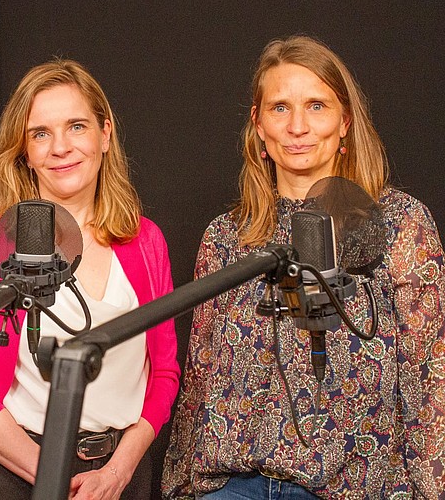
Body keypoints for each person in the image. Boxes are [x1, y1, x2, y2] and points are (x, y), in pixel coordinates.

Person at [162, 35, 445, 499]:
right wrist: (179, 487)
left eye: (316, 106)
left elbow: (430, 370)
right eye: (279, 108)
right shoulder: (228, 234)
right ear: (257, 124)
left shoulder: (398, 222)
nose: (297, 126)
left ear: (345, 121)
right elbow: (201, 373)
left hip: (353, 488)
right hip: (234, 485)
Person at [0, 59, 180, 499]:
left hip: (120, 476)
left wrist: (119, 472)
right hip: (16, 472)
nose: (60, 147)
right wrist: (51, 477)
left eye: (77, 126)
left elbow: (163, 374)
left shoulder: (145, 241)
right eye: (41, 133)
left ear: (105, 135)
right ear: (23, 151)